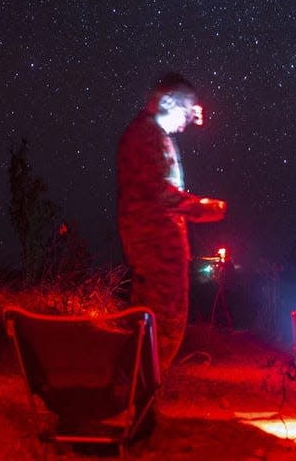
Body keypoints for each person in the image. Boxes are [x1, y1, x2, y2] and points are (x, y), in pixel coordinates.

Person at [117, 72, 226, 373]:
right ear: (166, 101)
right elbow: (159, 194)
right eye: (185, 109)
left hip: (156, 254)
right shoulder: (146, 136)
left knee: (152, 330)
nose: (189, 119)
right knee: (161, 331)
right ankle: (137, 402)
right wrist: (200, 208)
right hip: (157, 255)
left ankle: (137, 401)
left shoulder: (151, 136)